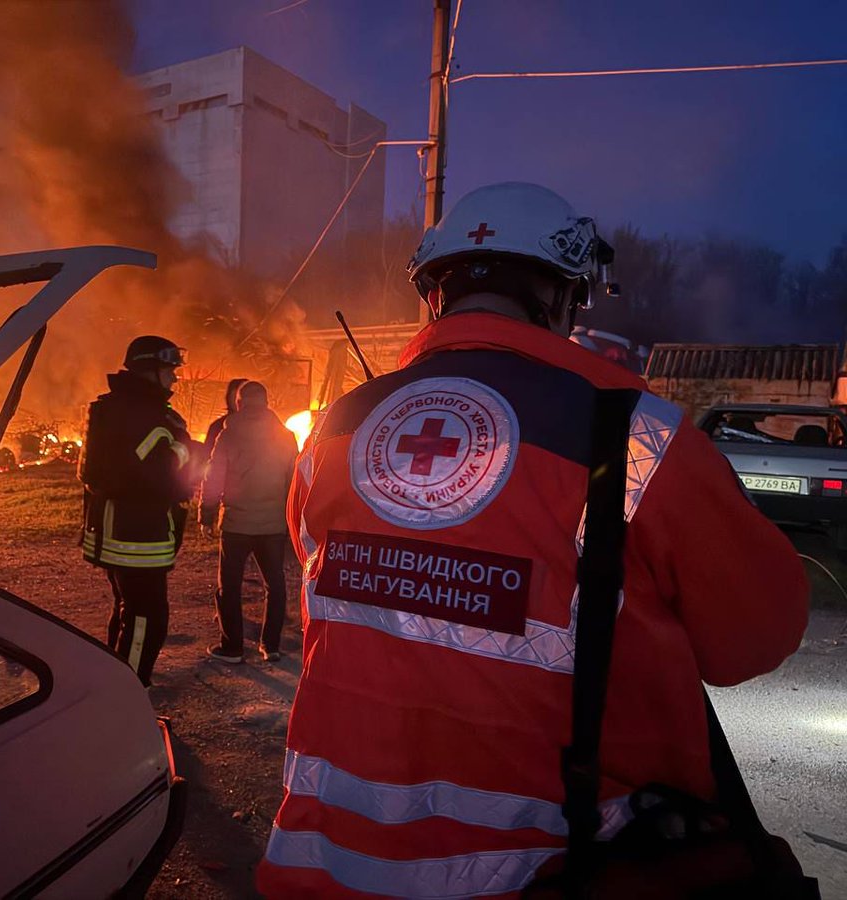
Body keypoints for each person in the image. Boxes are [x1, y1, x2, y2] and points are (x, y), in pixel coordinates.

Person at [256, 182, 809, 897]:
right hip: (551, 869)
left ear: (434, 295)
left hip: (322, 866)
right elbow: (755, 641)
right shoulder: (641, 439)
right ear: (566, 298)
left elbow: (339, 582)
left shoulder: (333, 428)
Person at [79, 335, 198, 687]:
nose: (175, 378)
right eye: (169, 370)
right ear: (150, 370)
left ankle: (115, 683)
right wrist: (187, 455)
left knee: (128, 611)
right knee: (148, 618)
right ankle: (127, 695)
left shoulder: (116, 409)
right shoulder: (143, 416)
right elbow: (151, 475)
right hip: (136, 535)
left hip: (119, 531)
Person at [199, 381, 298, 663]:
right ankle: (271, 646)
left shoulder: (228, 435)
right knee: (275, 584)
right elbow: (295, 481)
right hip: (273, 526)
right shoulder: (286, 436)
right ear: (267, 403)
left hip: (236, 525)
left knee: (228, 587)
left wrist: (206, 514)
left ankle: (232, 648)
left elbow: (213, 477)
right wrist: (292, 517)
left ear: (239, 403)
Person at [205, 377, 248, 452]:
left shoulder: (266, 426)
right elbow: (207, 456)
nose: (238, 401)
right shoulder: (217, 427)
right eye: (235, 396)